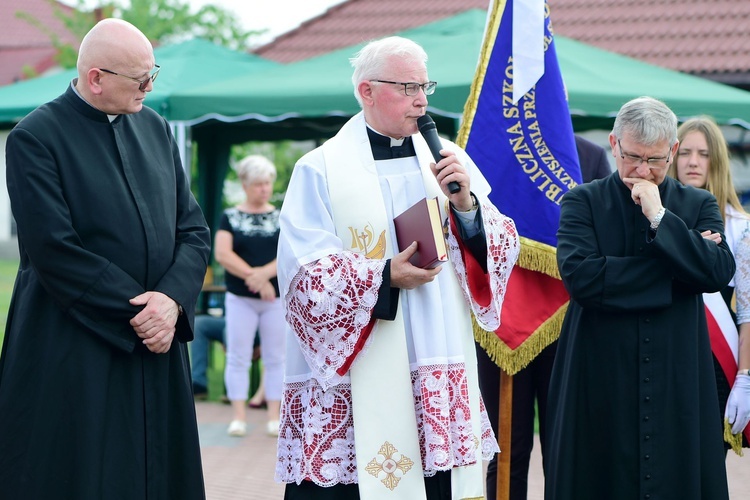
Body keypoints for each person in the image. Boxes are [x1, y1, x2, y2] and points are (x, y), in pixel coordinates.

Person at [275, 36, 520, 500]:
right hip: (363, 359)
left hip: (437, 347)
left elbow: (500, 245)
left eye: (424, 85)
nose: (422, 99)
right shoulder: (321, 168)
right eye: (407, 87)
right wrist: (385, 277)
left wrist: (466, 205)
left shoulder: (447, 158)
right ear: (366, 91)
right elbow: (305, 277)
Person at [0, 18, 210, 499]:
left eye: (152, 74)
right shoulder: (35, 137)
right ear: (96, 78)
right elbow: (55, 249)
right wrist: (144, 312)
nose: (149, 87)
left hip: (158, 339)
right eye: (140, 79)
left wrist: (173, 301)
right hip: (79, 345)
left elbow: (193, 229)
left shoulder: (154, 127)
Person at [545, 96, 734, 500]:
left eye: (655, 160)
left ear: (673, 151)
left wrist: (661, 218)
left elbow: (717, 272)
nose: (642, 171)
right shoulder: (583, 202)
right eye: (632, 157)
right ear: (614, 144)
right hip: (598, 373)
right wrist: (678, 267)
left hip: (676, 374)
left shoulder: (697, 204)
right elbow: (582, 278)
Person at [477, 134, 612, 500]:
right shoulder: (490, 144)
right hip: (501, 321)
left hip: (568, 322)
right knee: (507, 448)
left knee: (564, 447)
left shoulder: (589, 155)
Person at [669, 116, 750, 449]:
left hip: (713, 365)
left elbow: (747, 314)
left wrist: (744, 377)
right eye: (685, 152)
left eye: (703, 154)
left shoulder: (741, 228)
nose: (692, 162)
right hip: (665, 355)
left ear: (716, 161)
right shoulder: (654, 218)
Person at [215, 154, 285, 438]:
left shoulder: (281, 216)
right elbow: (222, 254)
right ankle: (239, 417)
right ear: (245, 184)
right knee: (238, 356)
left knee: (276, 357)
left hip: (275, 300)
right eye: (258, 184)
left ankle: (273, 417)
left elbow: (288, 253)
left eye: (267, 183)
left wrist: (263, 276)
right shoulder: (229, 216)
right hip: (240, 298)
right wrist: (255, 278)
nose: (264, 189)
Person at [191, 314, 227, 398]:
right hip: (227, 320)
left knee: (229, 332)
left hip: (252, 323)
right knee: (199, 324)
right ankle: (199, 383)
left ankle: (233, 389)